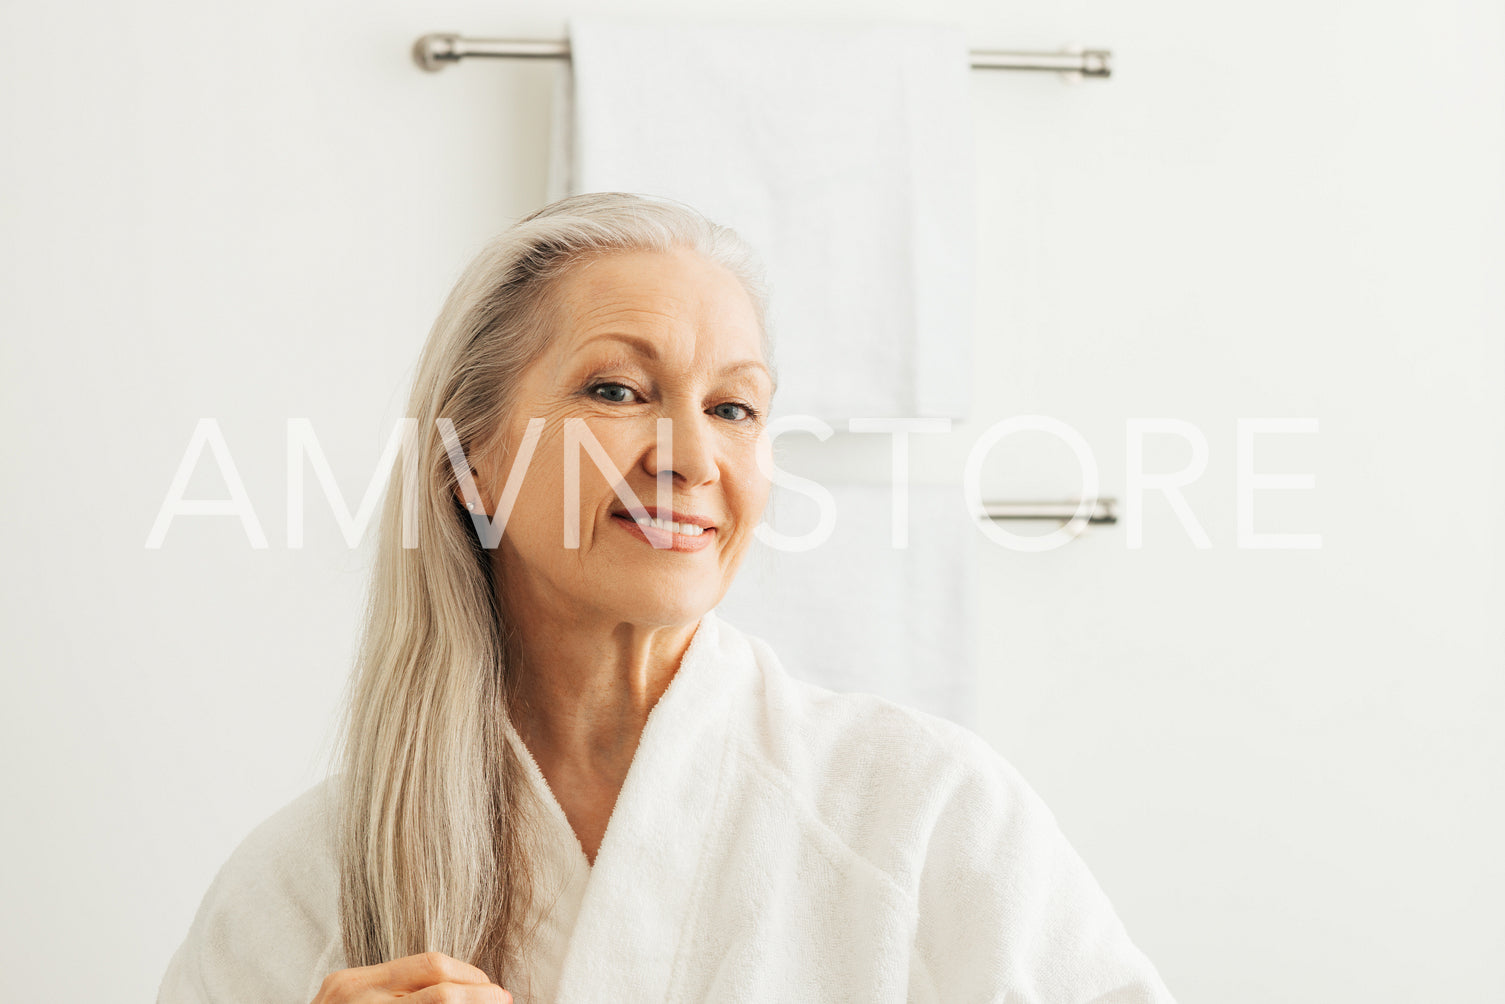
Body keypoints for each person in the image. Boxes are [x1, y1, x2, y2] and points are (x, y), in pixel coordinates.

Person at [158, 192, 1176, 1003]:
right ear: (468, 463)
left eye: (733, 407)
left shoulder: (923, 812)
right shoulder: (303, 885)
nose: (691, 456)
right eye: (616, 390)